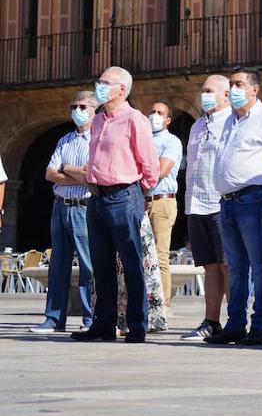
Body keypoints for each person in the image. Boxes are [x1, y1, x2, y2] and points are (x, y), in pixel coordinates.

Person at [204, 69, 262, 346]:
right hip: (228, 201)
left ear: (254, 90)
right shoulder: (230, 121)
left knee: (260, 265)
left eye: (238, 84)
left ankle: (260, 324)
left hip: (253, 198)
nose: (233, 89)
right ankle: (235, 323)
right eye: (231, 84)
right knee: (235, 266)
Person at [71, 66, 160, 343]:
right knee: (101, 264)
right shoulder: (98, 120)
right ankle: (104, 324)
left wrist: (137, 193)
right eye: (98, 81)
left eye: (105, 83)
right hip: (97, 196)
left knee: (131, 262)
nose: (99, 86)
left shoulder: (135, 119)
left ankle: (137, 325)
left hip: (124, 195)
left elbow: (150, 166)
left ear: (121, 89)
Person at [31, 91, 97, 334]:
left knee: (89, 265)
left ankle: (91, 318)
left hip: (84, 208)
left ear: (94, 110)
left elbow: (91, 176)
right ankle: (53, 318)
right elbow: (49, 174)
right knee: (58, 265)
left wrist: (66, 169)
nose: (77, 110)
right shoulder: (64, 140)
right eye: (74, 106)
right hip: (60, 206)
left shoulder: (98, 140)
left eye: (83, 106)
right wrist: (76, 172)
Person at [181, 75, 232, 341]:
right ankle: (211, 321)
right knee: (209, 266)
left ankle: (236, 320)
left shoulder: (233, 123)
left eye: (209, 90)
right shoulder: (198, 125)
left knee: (228, 264)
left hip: (220, 202)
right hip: (196, 202)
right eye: (202, 90)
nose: (204, 95)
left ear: (226, 94)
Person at [145, 100, 182, 327]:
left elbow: (160, 171)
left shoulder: (171, 141)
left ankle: (163, 306)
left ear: (168, 120)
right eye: (152, 111)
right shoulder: (143, 140)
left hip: (162, 200)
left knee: (160, 256)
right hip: (141, 201)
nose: (154, 115)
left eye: (160, 113)